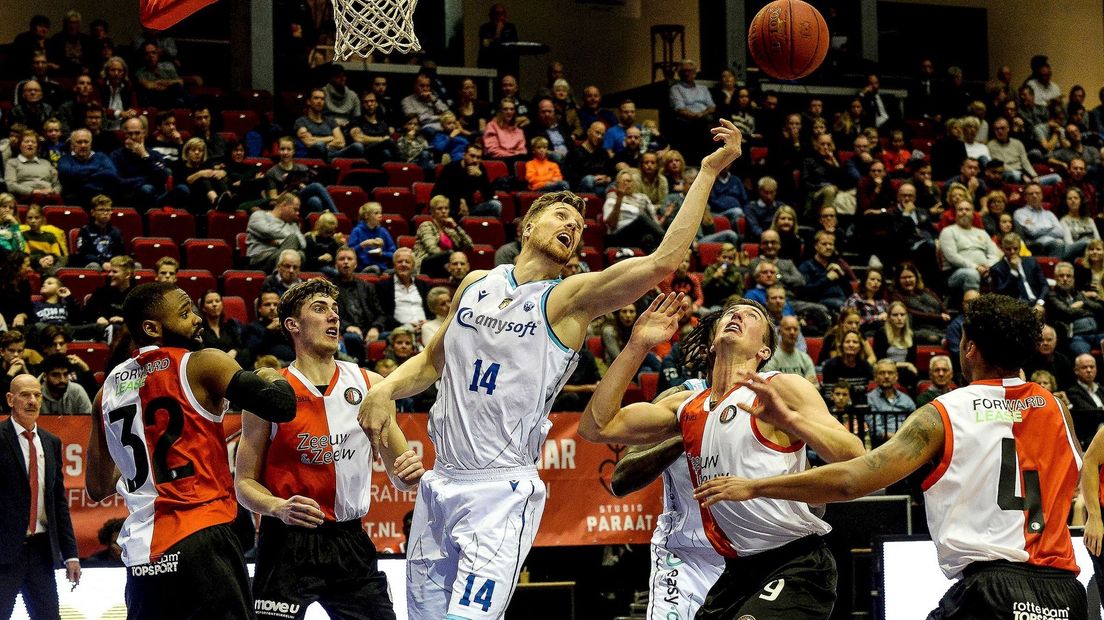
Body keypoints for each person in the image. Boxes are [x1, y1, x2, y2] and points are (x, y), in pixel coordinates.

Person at [359, 120, 746, 619]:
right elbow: (432, 361)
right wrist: (387, 387)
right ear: (526, 227)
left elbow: (662, 261)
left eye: (578, 228)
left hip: (500, 492)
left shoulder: (568, 301)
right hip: (439, 485)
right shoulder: (476, 282)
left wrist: (708, 172)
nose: (572, 227)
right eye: (562, 216)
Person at [695, 294, 1087, 620]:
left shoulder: (944, 412)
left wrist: (755, 486)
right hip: (1065, 592)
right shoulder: (1057, 408)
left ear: (969, 348)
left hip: (993, 590)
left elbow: (855, 479)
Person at [579, 293, 863, 619]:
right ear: (712, 344)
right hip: (736, 569)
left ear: (764, 351)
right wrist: (637, 345)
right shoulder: (687, 405)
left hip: (796, 562)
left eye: (751, 315)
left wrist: (793, 422)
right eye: (731, 313)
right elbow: (597, 426)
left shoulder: (780, 387)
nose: (738, 316)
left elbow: (854, 456)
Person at [85, 281, 298, 618]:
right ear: (152, 328)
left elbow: (97, 488)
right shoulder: (202, 363)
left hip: (142, 556)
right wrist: (271, 374)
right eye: (185, 313)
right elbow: (282, 405)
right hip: (202, 537)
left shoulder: (106, 389)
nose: (197, 318)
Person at [236, 279, 424, 620]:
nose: (332, 317)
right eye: (320, 309)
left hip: (349, 541)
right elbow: (243, 483)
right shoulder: (270, 389)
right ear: (293, 325)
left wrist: (409, 474)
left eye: (335, 310)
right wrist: (277, 507)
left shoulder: (372, 385)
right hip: (286, 543)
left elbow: (400, 476)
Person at [610, 379, 724, 620]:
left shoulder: (767, 397)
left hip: (746, 554)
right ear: (705, 350)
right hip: (683, 554)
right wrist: (687, 437)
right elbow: (621, 479)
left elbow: (814, 508)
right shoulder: (678, 399)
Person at [0, 373, 81, 618]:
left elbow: (58, 502)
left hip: (41, 552)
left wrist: (71, 555)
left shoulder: (50, 442)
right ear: (10, 399)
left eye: (37, 395)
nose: (32, 400)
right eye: (25, 395)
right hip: (3, 551)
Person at [414, 196, 474, 279]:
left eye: (446, 208)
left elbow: (469, 246)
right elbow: (432, 249)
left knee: (459, 261)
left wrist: (456, 226)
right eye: (439, 209)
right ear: (432, 212)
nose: (443, 211)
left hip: (447, 266)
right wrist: (453, 258)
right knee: (451, 255)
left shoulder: (450, 230)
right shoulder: (426, 226)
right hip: (427, 265)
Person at [247, 193, 306, 274]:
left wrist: (277, 242)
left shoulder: (293, 225)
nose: (297, 213)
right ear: (284, 205)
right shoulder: (259, 215)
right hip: (262, 260)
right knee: (293, 238)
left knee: (301, 254)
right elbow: (267, 231)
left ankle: (279, 275)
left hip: (283, 259)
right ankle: (277, 278)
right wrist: (287, 241)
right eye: (295, 209)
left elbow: (303, 244)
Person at [763, 315, 817, 384]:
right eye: (788, 329)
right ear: (779, 331)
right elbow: (771, 386)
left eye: (795, 329)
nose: (792, 332)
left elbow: (813, 386)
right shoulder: (770, 357)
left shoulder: (805, 358)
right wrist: (805, 383)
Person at [344, 201, 394, 274]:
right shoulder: (357, 231)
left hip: (383, 268)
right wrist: (363, 244)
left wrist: (382, 254)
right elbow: (349, 253)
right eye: (376, 213)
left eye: (380, 213)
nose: (380, 215)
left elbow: (393, 253)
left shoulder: (383, 231)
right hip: (362, 268)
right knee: (374, 269)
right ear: (367, 216)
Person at [198, 290, 243, 360]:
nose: (214, 304)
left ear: (222, 305)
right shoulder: (199, 329)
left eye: (217, 301)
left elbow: (240, 346)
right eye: (209, 302)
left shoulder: (230, 326)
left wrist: (234, 351)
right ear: (203, 308)